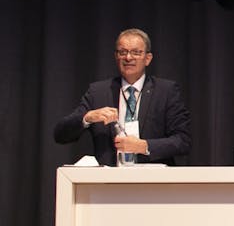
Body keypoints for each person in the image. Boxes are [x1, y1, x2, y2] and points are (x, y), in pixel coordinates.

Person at [53, 28, 191, 165]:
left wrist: (144, 146)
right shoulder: (98, 92)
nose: (128, 57)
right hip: (109, 181)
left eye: (136, 52)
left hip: (152, 180)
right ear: (116, 56)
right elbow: (60, 135)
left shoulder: (165, 91)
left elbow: (183, 141)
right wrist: (87, 118)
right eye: (123, 52)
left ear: (147, 58)